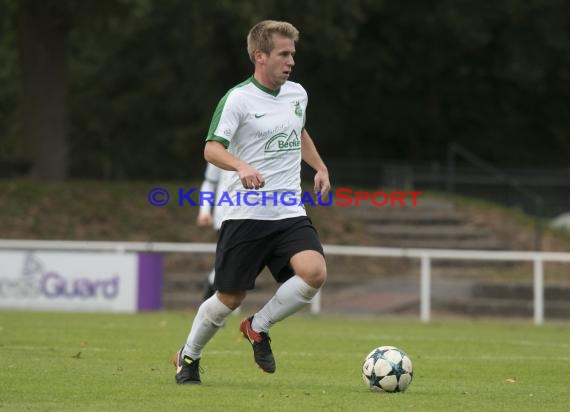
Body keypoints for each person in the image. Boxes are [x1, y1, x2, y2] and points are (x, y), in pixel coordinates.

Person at [173, 20, 330, 385]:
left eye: (292, 54)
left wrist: (320, 166)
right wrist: (241, 165)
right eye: (283, 54)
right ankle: (189, 356)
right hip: (246, 214)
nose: (291, 61)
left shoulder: (297, 94)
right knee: (228, 298)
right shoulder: (238, 99)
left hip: (289, 210)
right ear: (260, 56)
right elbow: (212, 148)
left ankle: (257, 327)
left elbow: (299, 131)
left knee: (314, 272)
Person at [196, 162, 227, 302]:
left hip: (258, 216)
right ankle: (209, 296)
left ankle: (210, 285)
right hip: (226, 218)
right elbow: (209, 182)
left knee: (231, 264)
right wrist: (204, 210)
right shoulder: (221, 145)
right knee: (230, 263)